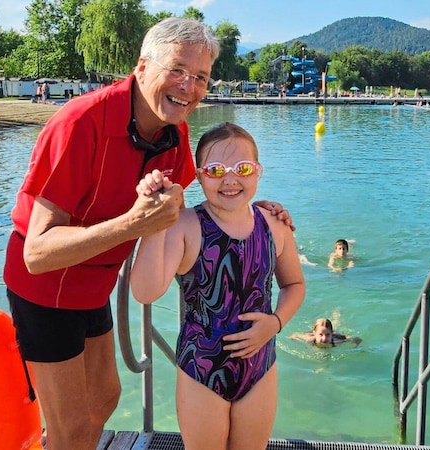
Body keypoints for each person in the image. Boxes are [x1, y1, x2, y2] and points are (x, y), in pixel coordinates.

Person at [3, 18, 292, 450]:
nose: (188, 86)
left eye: (200, 77)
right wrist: (134, 225)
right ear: (141, 66)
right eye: (177, 69)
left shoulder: (176, 138)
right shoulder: (80, 123)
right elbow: (37, 253)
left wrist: (261, 211)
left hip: (94, 286)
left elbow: (212, 201)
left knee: (104, 398)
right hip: (45, 291)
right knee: (70, 426)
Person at [130, 122, 305, 450]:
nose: (230, 179)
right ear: (198, 176)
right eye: (215, 170)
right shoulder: (186, 226)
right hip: (201, 370)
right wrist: (154, 222)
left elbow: (294, 284)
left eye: (242, 168)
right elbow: (144, 291)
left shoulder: (274, 226)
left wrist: (276, 323)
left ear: (258, 171)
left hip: (260, 367)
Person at [291, 318, 361, 347]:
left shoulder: (337, 341)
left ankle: (337, 316)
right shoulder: (309, 339)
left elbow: (357, 339)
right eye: (321, 335)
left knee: (336, 323)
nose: (324, 338)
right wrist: (292, 338)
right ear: (314, 333)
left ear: (331, 333)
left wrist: (357, 347)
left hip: (336, 334)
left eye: (327, 335)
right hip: (314, 333)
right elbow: (295, 335)